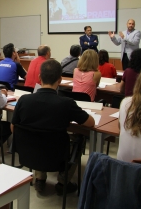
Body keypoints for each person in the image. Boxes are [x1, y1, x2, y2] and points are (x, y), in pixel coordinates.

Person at [12, 59, 95, 194]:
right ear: (60, 80)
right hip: (57, 158)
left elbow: (13, 127)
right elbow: (90, 123)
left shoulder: (24, 100)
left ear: (39, 78)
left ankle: (39, 178)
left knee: (38, 135)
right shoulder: (66, 103)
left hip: (28, 155)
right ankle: (63, 181)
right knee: (80, 139)